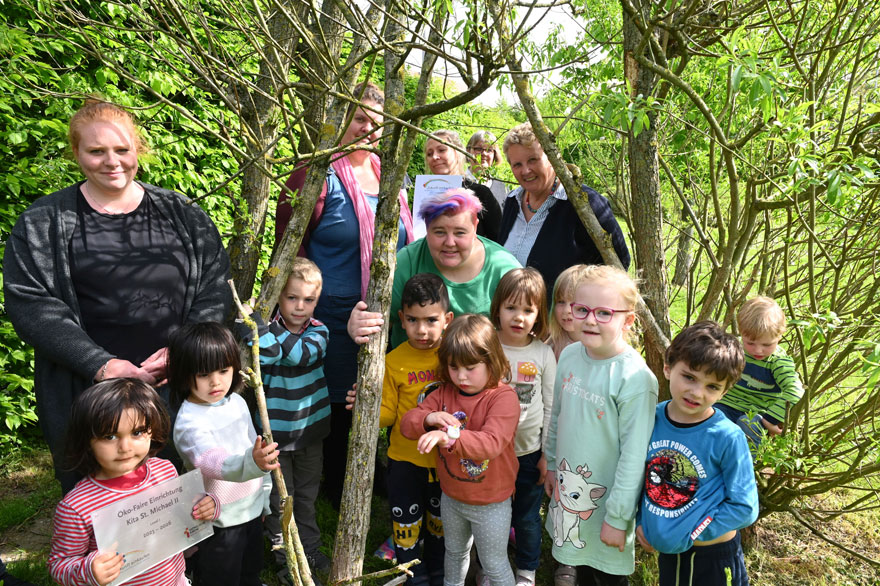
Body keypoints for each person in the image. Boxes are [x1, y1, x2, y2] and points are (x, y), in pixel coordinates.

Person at [3, 99, 231, 494]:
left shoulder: (182, 213)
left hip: (176, 383)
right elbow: (31, 303)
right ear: (76, 154)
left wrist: (184, 352)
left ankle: (181, 558)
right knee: (102, 503)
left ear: (138, 149)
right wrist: (103, 365)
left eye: (122, 149)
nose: (112, 161)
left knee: (182, 491)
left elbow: (214, 285)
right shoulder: (42, 222)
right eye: (96, 151)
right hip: (91, 392)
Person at [275, 81, 415, 508]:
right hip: (330, 314)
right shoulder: (315, 173)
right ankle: (335, 486)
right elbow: (289, 246)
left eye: (377, 122)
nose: (368, 129)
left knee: (379, 393)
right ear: (340, 120)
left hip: (387, 313)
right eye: (359, 118)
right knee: (338, 400)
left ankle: (374, 470)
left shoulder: (390, 174)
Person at [544, 265, 658, 586]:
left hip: (607, 507)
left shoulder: (635, 379)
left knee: (606, 576)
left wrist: (618, 519)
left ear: (628, 319)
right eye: (582, 309)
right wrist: (551, 464)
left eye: (605, 312)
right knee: (576, 561)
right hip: (569, 493)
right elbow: (557, 416)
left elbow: (634, 457)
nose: (590, 320)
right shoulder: (569, 355)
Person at [48, 379, 218, 586]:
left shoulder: (164, 470)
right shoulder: (76, 507)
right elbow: (59, 564)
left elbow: (185, 513)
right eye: (110, 436)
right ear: (87, 440)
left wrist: (207, 506)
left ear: (152, 430)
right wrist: (89, 570)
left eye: (137, 432)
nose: (125, 447)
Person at [347, 273, 454, 586]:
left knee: (440, 525)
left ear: (447, 319)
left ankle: (440, 574)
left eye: (431, 320)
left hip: (445, 463)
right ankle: (411, 575)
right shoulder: (392, 360)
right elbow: (388, 414)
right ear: (401, 320)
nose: (422, 330)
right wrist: (365, 405)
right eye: (413, 320)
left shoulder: (455, 354)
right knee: (406, 527)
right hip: (405, 462)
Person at [400, 314, 520, 586]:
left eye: (470, 367)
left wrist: (450, 438)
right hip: (452, 497)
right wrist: (428, 419)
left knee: (493, 563)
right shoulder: (443, 393)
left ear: (491, 361)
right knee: (454, 553)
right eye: (454, 367)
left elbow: (491, 443)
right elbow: (408, 424)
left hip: (492, 502)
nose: (461, 376)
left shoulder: (503, 397)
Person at [636, 321, 759, 586]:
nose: (697, 392)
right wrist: (640, 520)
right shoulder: (651, 417)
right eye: (690, 377)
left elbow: (744, 507)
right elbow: (639, 476)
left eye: (712, 386)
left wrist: (689, 533)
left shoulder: (727, 437)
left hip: (712, 557)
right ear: (668, 367)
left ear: (724, 391)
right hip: (670, 553)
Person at [234, 258, 332, 581]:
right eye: (292, 298)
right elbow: (264, 351)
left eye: (309, 300)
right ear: (278, 296)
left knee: (306, 495)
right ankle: (283, 553)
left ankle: (312, 548)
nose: (300, 307)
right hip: (275, 435)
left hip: (310, 433)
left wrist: (263, 331)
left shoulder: (319, 333)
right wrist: (259, 331)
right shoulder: (265, 332)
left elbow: (297, 354)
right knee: (280, 496)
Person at [168, 323, 280, 586]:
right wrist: (252, 463)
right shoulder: (190, 422)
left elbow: (255, 447)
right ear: (185, 375)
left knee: (250, 571)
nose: (216, 381)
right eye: (204, 374)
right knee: (220, 576)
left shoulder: (237, 403)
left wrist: (263, 500)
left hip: (251, 512)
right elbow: (211, 462)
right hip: (218, 520)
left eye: (223, 370)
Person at [498, 122, 630, 297]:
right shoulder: (512, 201)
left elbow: (618, 263)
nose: (526, 170)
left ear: (552, 158)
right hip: (513, 318)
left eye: (533, 159)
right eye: (517, 165)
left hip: (562, 320)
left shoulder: (583, 203)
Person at [488, 268, 556, 586]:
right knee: (491, 516)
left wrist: (548, 455)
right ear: (497, 308)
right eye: (511, 308)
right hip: (489, 452)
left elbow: (553, 407)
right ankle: (491, 568)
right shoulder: (486, 346)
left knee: (527, 517)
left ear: (538, 314)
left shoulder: (542, 354)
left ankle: (527, 570)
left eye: (528, 310)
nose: (519, 317)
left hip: (529, 452)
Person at [716, 296, 805, 449]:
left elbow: (795, 390)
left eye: (766, 344)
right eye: (750, 343)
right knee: (711, 420)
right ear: (741, 332)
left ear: (779, 336)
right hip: (726, 405)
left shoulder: (778, 362)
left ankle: (745, 468)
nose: (758, 350)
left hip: (757, 414)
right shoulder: (734, 349)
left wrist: (770, 419)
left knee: (747, 426)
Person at [424, 129, 502, 241]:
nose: (435, 157)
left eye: (441, 150)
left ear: (458, 153)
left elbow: (498, 242)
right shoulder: (422, 193)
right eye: (429, 154)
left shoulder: (481, 193)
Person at [547, 265, 592, 360]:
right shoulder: (553, 344)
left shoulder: (598, 344)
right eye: (561, 302)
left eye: (575, 303)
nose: (567, 310)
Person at [466, 130, 508, 208]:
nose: (484, 153)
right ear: (468, 151)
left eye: (489, 150)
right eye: (478, 149)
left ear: (494, 155)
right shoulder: (457, 182)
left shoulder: (502, 187)